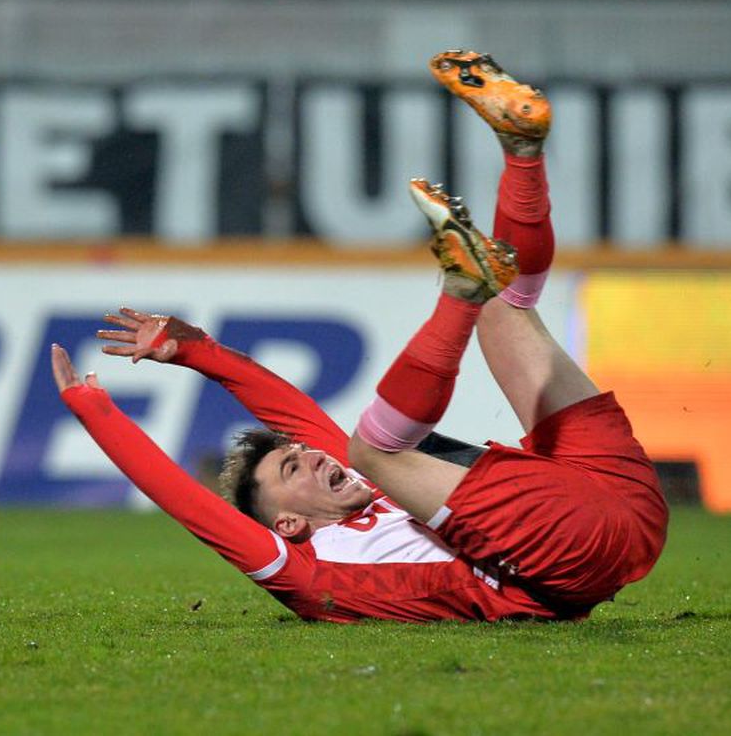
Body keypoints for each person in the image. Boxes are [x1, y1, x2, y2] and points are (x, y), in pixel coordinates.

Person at [52, 50, 668, 623]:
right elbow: (187, 502)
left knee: (493, 320)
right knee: (388, 432)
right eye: (293, 465)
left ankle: (519, 154)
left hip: (614, 508)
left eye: (301, 452)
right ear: (287, 522)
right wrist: (94, 410)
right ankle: (471, 274)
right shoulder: (302, 570)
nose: (314, 454)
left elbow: (288, 410)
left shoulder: (369, 488)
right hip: (579, 549)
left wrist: (198, 351)